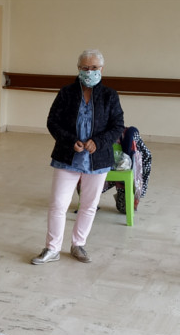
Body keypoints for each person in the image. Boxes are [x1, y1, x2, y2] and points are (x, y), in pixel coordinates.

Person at [31, 49, 124, 265]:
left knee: (89, 205)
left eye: (94, 68)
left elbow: (117, 125)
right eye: (85, 68)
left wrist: (98, 142)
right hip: (67, 158)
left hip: (97, 160)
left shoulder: (110, 95)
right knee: (58, 204)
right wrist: (69, 140)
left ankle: (78, 244)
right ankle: (52, 248)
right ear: (78, 69)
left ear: (101, 69)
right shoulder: (66, 92)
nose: (89, 72)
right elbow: (52, 121)